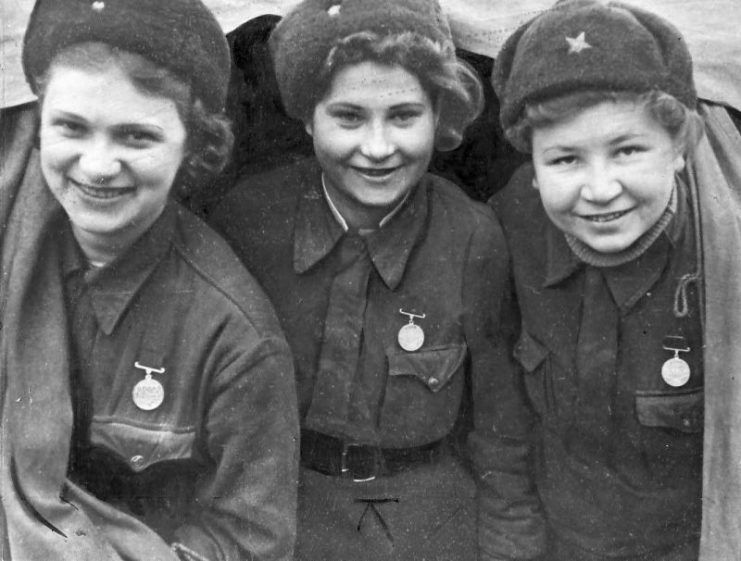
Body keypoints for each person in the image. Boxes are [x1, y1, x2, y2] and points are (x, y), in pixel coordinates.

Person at [210, 1, 510, 559]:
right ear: (307, 116)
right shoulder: (248, 219)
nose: (377, 148)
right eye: (348, 117)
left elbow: (500, 424)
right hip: (279, 514)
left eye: (404, 116)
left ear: (438, 113)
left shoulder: (472, 238)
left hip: (428, 524)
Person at [0, 1, 299, 559]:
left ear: (194, 145)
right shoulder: (13, 242)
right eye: (71, 127)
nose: (96, 165)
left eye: (136, 137)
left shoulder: (235, 338)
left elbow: (249, 540)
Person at [483, 0, 719, 559]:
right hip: (557, 538)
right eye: (565, 160)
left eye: (628, 150)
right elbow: (499, 412)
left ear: (681, 149)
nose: (599, 188)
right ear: (532, 170)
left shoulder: (723, 251)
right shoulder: (509, 226)